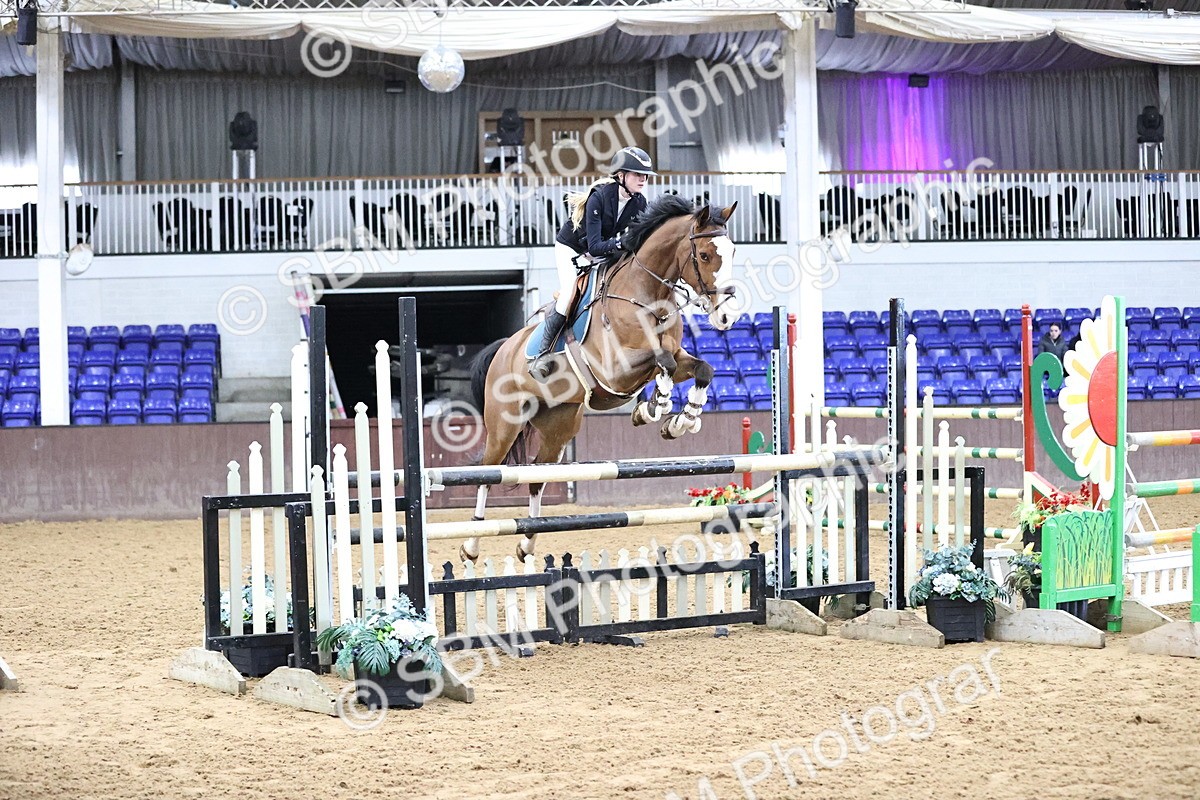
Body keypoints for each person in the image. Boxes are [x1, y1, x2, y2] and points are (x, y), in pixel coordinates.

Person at [529, 146, 656, 378]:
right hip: (573, 249)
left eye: (645, 175)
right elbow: (595, 246)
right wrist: (621, 243)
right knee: (569, 294)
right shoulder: (599, 198)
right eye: (638, 174)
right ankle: (542, 354)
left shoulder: (639, 203)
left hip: (601, 252)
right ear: (621, 176)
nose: (643, 179)